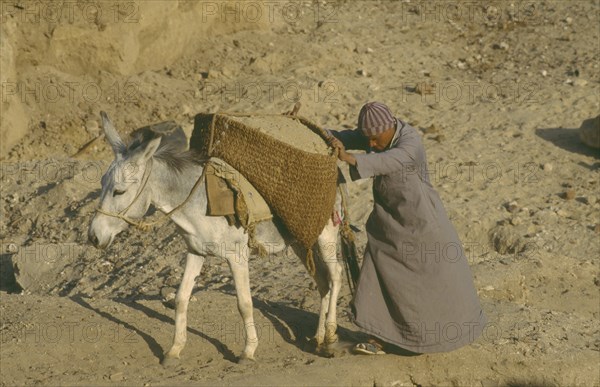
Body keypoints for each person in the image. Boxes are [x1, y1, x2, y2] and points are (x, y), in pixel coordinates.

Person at [328, 102, 487, 355]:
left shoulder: (409, 143)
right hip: (389, 224)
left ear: (389, 128)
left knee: (431, 282)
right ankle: (379, 337)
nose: (370, 145)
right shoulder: (377, 136)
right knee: (377, 273)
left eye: (374, 140)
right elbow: (345, 136)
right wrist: (317, 132)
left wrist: (348, 157)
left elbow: (389, 161)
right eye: (366, 139)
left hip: (421, 224)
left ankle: (430, 338)